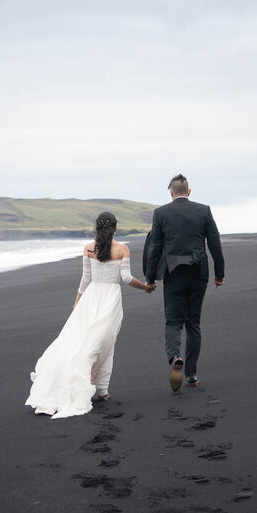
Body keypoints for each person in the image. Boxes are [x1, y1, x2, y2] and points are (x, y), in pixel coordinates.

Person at [26, 212, 154, 418]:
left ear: (97, 227)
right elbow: (126, 278)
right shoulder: (122, 249)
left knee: (83, 341)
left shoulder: (88, 248)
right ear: (115, 227)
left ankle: (97, 387)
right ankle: (101, 390)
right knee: (104, 344)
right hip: (110, 301)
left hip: (90, 298)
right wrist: (145, 287)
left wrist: (78, 300)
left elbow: (85, 279)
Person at [144, 174, 225, 391]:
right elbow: (215, 243)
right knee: (193, 323)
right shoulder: (204, 210)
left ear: (171, 193)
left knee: (173, 321)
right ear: (189, 192)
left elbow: (154, 248)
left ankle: (175, 357)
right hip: (198, 273)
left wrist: (150, 278)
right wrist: (219, 273)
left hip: (174, 273)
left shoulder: (160, 213)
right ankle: (191, 374)